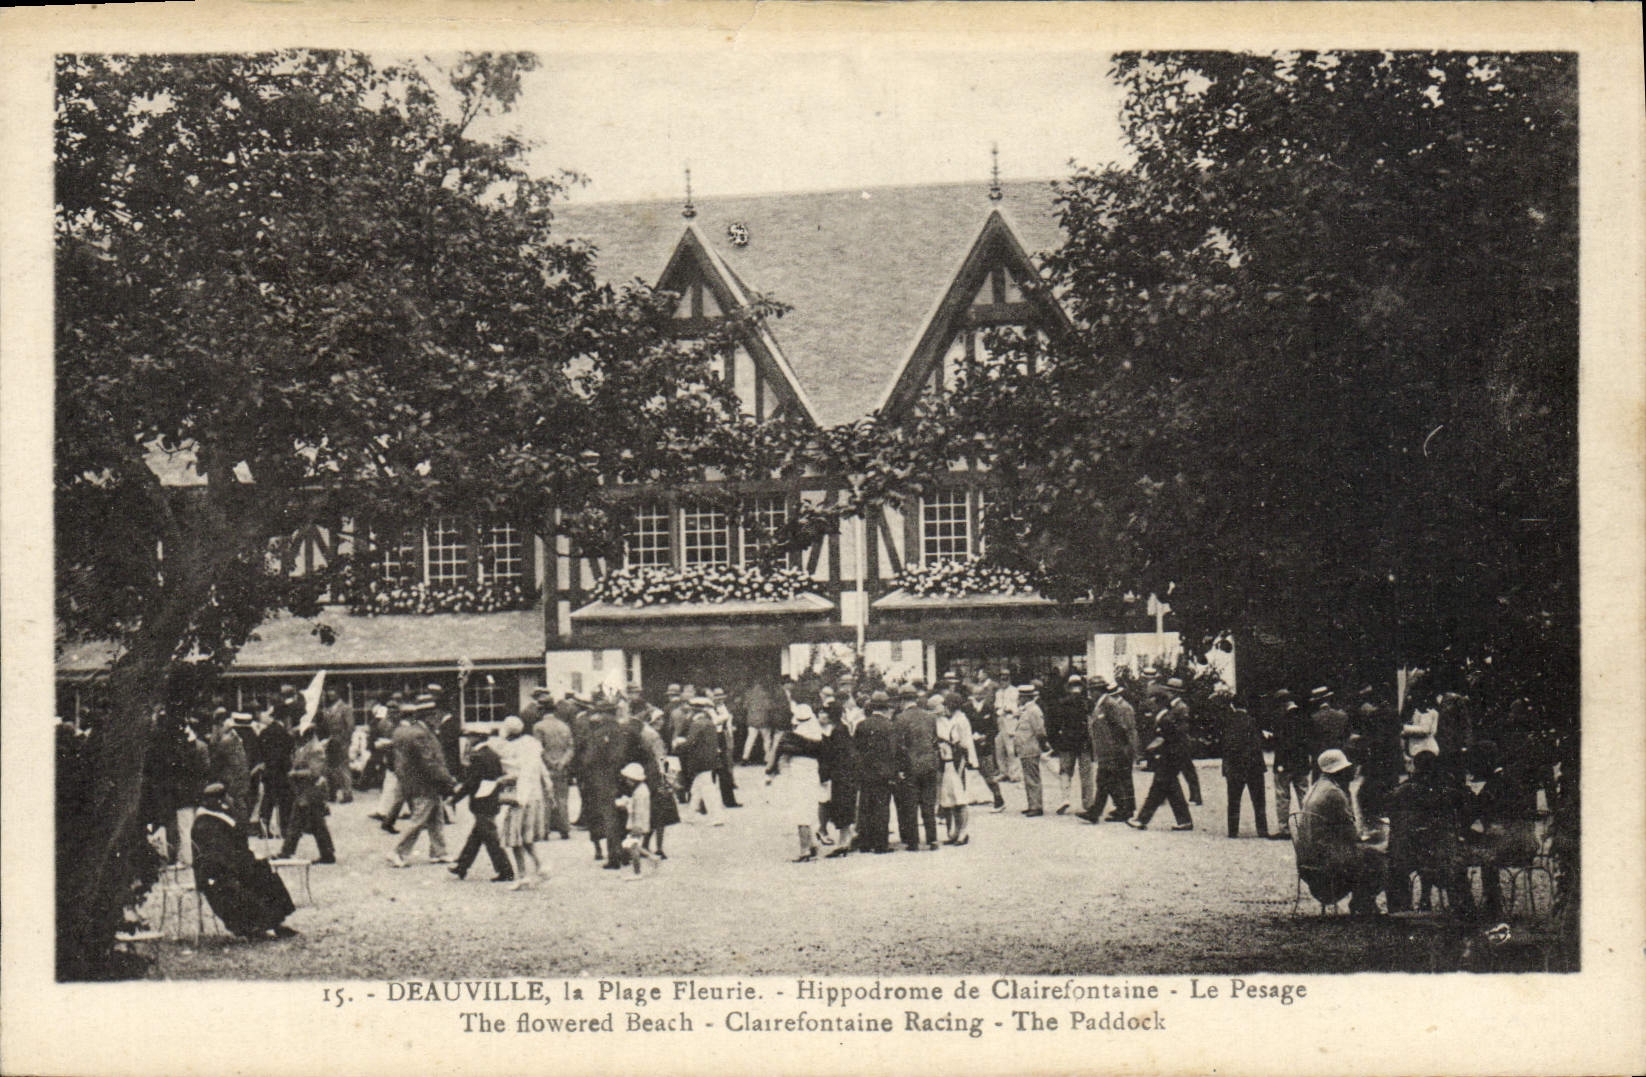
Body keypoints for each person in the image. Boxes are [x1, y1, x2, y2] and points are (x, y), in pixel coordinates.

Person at [191, 783, 298, 940]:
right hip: (216, 872)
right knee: (235, 886)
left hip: (233, 865)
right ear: (219, 801)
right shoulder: (205, 824)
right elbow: (218, 855)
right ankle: (252, 927)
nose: (231, 800)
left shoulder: (219, 818)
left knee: (263, 871)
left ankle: (275, 922)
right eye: (227, 797)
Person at [1295, 749, 1386, 916]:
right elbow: (1351, 834)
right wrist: (1370, 838)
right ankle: (1364, 902)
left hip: (1308, 858)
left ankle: (1363, 901)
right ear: (1339, 771)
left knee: (1368, 854)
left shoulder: (1316, 787)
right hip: (1328, 861)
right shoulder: (1334, 794)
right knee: (1378, 858)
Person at [386, 700, 458, 867]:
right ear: (428, 716)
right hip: (425, 783)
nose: (437, 718)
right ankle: (398, 852)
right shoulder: (420, 734)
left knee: (436, 817)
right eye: (435, 714)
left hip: (415, 782)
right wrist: (446, 779)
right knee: (419, 819)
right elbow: (429, 762)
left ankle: (439, 852)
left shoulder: (403, 731)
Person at [448, 727, 513, 883]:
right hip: (491, 798)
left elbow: (471, 782)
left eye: (470, 736)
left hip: (481, 800)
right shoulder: (492, 754)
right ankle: (462, 866)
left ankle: (506, 870)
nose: (468, 739)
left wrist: (455, 798)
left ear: (477, 737)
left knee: (490, 838)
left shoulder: (477, 757)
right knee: (477, 836)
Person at [1127, 683, 1195, 831]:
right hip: (1168, 751)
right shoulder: (1168, 708)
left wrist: (1163, 738)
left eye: (1171, 691)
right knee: (1171, 787)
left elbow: (1181, 731)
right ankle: (1184, 820)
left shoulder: (1180, 708)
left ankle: (1142, 819)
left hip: (1174, 752)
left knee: (1159, 786)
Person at [767, 700, 828, 861]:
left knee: (800, 811)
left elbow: (778, 756)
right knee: (810, 808)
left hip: (798, 772)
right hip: (813, 772)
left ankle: (805, 849)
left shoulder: (791, 737)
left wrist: (771, 772)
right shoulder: (817, 733)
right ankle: (813, 844)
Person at [496, 715, 552, 888]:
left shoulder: (511, 749)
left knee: (514, 837)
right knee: (527, 837)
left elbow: (514, 773)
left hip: (519, 797)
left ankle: (522, 876)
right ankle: (541, 866)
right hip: (535, 796)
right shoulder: (533, 746)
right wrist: (548, 790)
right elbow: (543, 773)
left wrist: (500, 780)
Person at [277, 721, 337, 863]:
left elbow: (314, 772)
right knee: (313, 823)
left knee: (302, 822)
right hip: (305, 791)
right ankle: (327, 853)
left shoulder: (315, 749)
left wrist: (295, 773)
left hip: (312, 790)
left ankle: (287, 851)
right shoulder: (306, 747)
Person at [1084, 673, 1138, 823]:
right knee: (1107, 782)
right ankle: (1123, 809)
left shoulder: (1109, 704)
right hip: (1105, 751)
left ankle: (1096, 813)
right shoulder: (1101, 705)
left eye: (1092, 690)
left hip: (1112, 751)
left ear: (1099, 690)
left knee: (1103, 781)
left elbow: (1120, 728)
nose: (1090, 694)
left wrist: (1120, 749)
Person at [892, 690, 941, 850]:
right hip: (929, 764)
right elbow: (934, 740)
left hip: (910, 766)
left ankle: (913, 842)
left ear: (903, 701)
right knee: (928, 803)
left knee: (910, 804)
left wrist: (899, 767)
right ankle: (932, 839)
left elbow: (898, 746)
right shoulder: (930, 716)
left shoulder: (900, 718)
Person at [852, 691, 898, 854]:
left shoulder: (862, 725)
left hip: (865, 772)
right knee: (882, 807)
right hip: (883, 773)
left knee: (865, 806)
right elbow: (893, 752)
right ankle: (881, 844)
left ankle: (865, 842)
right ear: (886, 707)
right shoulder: (889, 726)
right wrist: (893, 773)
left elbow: (856, 750)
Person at [1219, 700, 1270, 838]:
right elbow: (1259, 743)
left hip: (1235, 768)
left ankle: (1233, 831)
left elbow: (1225, 745)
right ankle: (1262, 830)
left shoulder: (1228, 722)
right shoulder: (1253, 721)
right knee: (1259, 801)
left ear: (1233, 706)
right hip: (1254, 767)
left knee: (1234, 800)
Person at [1048, 674, 1095, 816]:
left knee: (1065, 772)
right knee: (1086, 774)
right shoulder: (1088, 703)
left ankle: (1065, 799)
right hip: (1084, 742)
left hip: (1067, 742)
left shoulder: (1062, 702)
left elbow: (1054, 725)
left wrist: (1055, 743)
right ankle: (1088, 803)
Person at [531, 691, 575, 840]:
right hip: (562, 766)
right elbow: (571, 747)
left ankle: (544, 830)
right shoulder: (564, 726)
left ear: (541, 710)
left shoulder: (539, 727)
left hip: (546, 766)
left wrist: (550, 762)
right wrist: (562, 762)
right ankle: (565, 829)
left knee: (546, 798)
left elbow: (538, 749)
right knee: (562, 798)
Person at [817, 698, 859, 856]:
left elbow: (832, 756)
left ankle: (843, 843)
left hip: (840, 775)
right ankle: (846, 839)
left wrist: (824, 775)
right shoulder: (842, 729)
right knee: (845, 806)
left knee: (842, 807)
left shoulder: (837, 732)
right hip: (846, 774)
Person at [935, 692, 978, 846]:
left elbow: (966, 744)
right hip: (946, 761)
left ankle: (962, 833)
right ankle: (954, 832)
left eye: (946, 705)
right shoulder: (949, 719)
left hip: (957, 761)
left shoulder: (961, 720)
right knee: (949, 798)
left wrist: (968, 761)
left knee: (960, 798)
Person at [1266, 689, 1308, 839]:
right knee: (1304, 795)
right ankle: (1308, 828)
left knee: (1283, 796)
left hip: (1285, 764)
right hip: (1302, 763)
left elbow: (1282, 743)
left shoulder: (1281, 719)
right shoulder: (1304, 716)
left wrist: (1270, 739)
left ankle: (1284, 829)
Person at [252, 706, 294, 839]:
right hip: (282, 771)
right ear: (285, 719)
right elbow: (288, 751)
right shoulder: (286, 734)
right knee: (284, 800)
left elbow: (259, 749)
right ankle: (284, 829)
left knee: (268, 799)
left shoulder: (264, 732)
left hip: (269, 771)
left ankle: (263, 829)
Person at [208, 710, 254, 828]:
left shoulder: (227, 740)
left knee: (236, 802)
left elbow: (216, 757)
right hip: (242, 774)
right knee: (241, 801)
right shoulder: (243, 737)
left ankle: (239, 826)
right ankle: (243, 826)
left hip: (232, 776)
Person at [1010, 685, 1049, 817]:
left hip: (1030, 748)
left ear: (1025, 697)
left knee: (1032, 778)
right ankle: (1032, 804)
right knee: (1028, 778)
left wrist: (1043, 745)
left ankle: (1036, 806)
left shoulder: (1033, 711)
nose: (1018, 699)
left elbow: (1040, 731)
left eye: (1020, 697)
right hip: (1024, 749)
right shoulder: (1026, 710)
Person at [615, 762, 657, 879]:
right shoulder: (641, 790)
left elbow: (639, 810)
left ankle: (637, 871)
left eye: (628, 779)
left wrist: (636, 825)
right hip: (639, 822)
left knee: (632, 847)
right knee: (631, 845)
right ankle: (651, 857)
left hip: (637, 823)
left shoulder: (639, 793)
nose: (627, 782)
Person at [1305, 686, 1350, 783]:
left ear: (1316, 702)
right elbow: (1347, 737)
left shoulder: (1313, 718)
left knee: (1320, 786)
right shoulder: (1342, 716)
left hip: (1320, 760)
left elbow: (1309, 742)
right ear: (1328, 699)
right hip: (1340, 757)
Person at [320, 686, 355, 803]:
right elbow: (325, 726)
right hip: (331, 740)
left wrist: (345, 741)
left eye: (333, 691)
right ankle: (332, 793)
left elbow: (350, 726)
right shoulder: (328, 709)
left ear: (338, 693)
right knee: (330, 767)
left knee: (343, 767)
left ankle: (347, 793)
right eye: (329, 691)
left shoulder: (345, 708)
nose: (330, 694)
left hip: (342, 741)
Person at [710, 687, 741, 808]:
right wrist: (725, 716)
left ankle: (729, 801)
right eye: (716, 697)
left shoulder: (722, 707)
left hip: (723, 736)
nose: (719, 699)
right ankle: (706, 803)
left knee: (725, 770)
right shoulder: (709, 708)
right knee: (712, 771)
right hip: (714, 736)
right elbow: (716, 721)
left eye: (721, 697)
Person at [741, 679, 778, 765]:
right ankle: (767, 759)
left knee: (750, 739)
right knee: (767, 740)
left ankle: (745, 758)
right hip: (763, 720)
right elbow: (769, 707)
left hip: (751, 721)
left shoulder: (749, 694)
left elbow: (744, 707)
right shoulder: (766, 695)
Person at [428, 684, 462, 776]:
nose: (434, 716)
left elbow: (445, 746)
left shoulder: (449, 725)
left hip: (451, 767)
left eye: (435, 713)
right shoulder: (449, 723)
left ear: (440, 711)